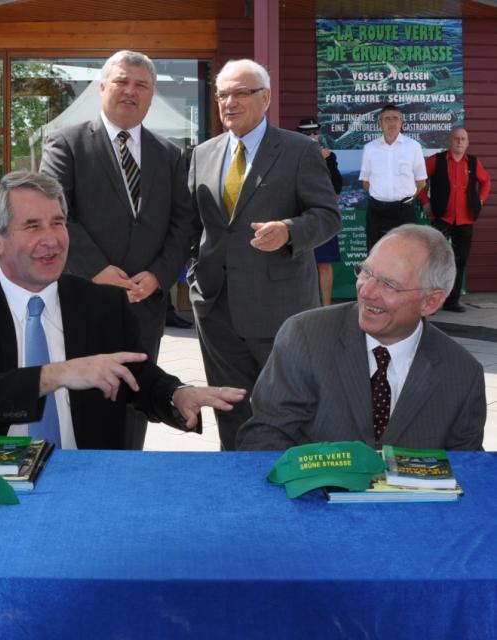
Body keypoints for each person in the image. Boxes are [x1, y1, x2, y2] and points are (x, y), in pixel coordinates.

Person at [0, 171, 246, 449]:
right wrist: (55, 375)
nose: (51, 240)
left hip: (87, 473)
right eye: (33, 226)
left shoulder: (103, 304)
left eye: (58, 223)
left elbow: (139, 377)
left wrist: (177, 394)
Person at [40, 50, 198, 450]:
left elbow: (183, 224)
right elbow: (55, 215)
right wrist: (97, 270)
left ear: (151, 94)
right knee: (80, 402)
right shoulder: (66, 143)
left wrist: (159, 276)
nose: (131, 91)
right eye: (122, 82)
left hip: (143, 304)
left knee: (135, 402)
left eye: (141, 85)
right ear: (102, 87)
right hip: (83, 298)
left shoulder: (169, 154)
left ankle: (125, 476)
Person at [188, 58, 341, 450]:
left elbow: (327, 216)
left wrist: (289, 231)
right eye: (223, 94)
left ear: (266, 97)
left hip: (280, 308)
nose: (229, 102)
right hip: (217, 310)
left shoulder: (298, 150)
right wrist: (194, 277)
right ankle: (237, 476)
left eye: (241, 93)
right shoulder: (202, 154)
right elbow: (191, 224)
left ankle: (289, 476)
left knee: (288, 409)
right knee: (231, 410)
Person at [237, 224, 485, 451]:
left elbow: (467, 469)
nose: (366, 291)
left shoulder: (462, 374)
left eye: (389, 285)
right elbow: (264, 437)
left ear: (430, 302)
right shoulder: (305, 336)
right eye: (366, 272)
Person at [417, 127, 491, 313]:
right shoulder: (436, 160)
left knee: (460, 260)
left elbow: (486, 182)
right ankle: (431, 302)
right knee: (435, 261)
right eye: (456, 138)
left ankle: (452, 301)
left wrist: (481, 200)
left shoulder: (473, 162)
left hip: (466, 220)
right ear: (450, 141)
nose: (459, 141)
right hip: (442, 217)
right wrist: (425, 202)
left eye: (463, 139)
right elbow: (419, 181)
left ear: (467, 143)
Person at [359, 104, 427, 252]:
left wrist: (405, 200)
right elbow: (366, 182)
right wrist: (382, 197)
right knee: (375, 255)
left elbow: (421, 182)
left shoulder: (413, 147)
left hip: (404, 212)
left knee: (407, 255)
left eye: (395, 118)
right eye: (387, 119)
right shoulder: (370, 148)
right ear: (380, 123)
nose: (391, 122)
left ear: (401, 122)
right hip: (377, 211)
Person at [297, 117, 342, 306]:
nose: (312, 136)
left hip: (323, 214)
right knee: (301, 263)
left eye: (315, 133)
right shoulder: (293, 154)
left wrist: (325, 161)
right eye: (307, 133)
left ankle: (326, 307)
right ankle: (304, 306)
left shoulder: (329, 156)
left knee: (324, 263)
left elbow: (337, 187)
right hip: (300, 215)